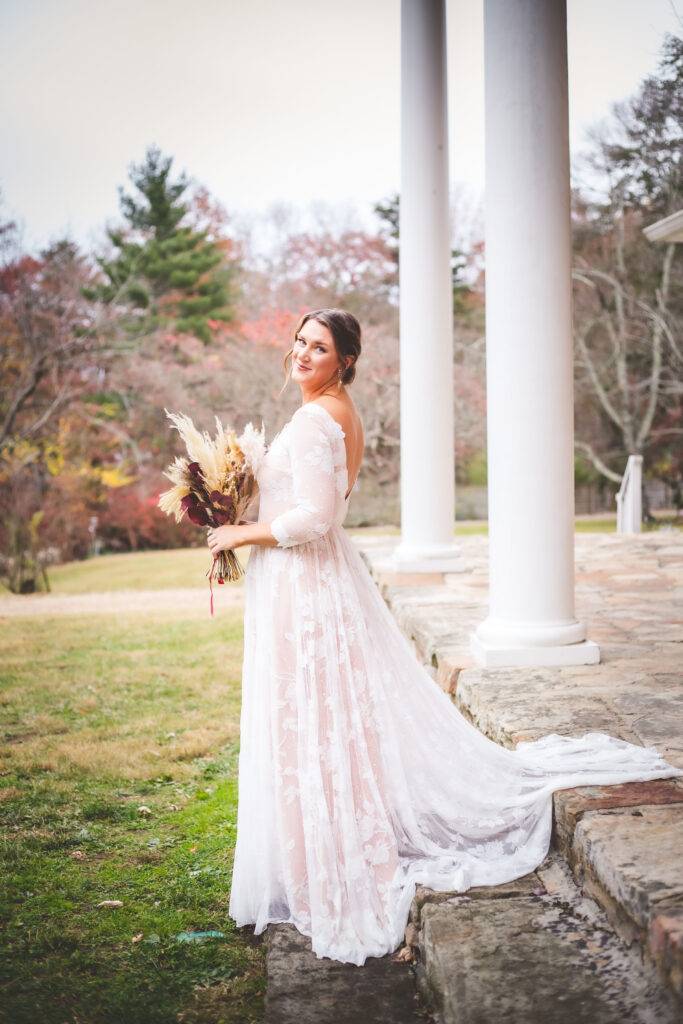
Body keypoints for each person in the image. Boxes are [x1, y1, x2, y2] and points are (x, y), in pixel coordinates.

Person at [206, 307, 683, 968]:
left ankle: (333, 856)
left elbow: (315, 517)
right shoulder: (331, 411)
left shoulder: (321, 417)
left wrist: (238, 533)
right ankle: (313, 848)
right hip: (302, 585)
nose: (302, 352)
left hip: (306, 586)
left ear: (344, 359)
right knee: (313, 718)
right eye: (298, 341)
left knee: (313, 717)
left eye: (318, 346)